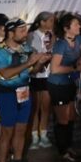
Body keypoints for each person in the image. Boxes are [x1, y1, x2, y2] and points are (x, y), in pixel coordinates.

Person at [0, 18, 51, 162]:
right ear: (11, 33)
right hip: (7, 94)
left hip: (24, 92)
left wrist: (40, 63)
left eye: (26, 30)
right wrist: (29, 62)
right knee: (7, 132)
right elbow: (5, 74)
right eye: (22, 30)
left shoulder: (26, 49)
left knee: (21, 129)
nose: (25, 34)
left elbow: (32, 71)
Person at [48, 13, 81, 162]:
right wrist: (74, 68)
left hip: (70, 83)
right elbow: (54, 69)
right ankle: (62, 152)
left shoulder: (78, 39)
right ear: (66, 28)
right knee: (62, 119)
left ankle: (68, 148)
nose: (79, 26)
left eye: (79, 24)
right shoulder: (61, 44)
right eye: (76, 24)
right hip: (58, 85)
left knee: (71, 117)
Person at [28, 12, 55, 149]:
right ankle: (34, 136)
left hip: (48, 75)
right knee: (35, 107)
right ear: (42, 22)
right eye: (50, 21)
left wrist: (53, 40)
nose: (52, 23)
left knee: (46, 106)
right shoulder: (31, 36)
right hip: (34, 75)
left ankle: (43, 134)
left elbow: (54, 52)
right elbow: (29, 54)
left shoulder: (53, 36)